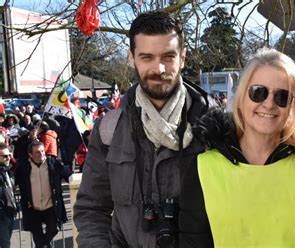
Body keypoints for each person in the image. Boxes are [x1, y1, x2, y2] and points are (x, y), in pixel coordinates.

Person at [73, 10, 214, 247]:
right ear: (132, 57)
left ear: (183, 57)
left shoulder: (213, 128)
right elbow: (91, 208)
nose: (158, 69)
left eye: (168, 57)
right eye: (147, 57)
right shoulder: (110, 130)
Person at [179, 48, 295, 247]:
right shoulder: (203, 167)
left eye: (282, 97)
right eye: (258, 93)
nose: (269, 104)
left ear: (291, 106)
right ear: (241, 97)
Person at [15, 140, 72, 248]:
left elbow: (69, 176)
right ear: (30, 154)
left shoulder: (54, 163)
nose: (41, 154)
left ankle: (45, 244)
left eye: (42, 151)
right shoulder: (23, 167)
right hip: (32, 208)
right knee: (38, 238)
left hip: (50, 206)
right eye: (37, 152)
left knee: (54, 229)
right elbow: (14, 181)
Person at [0, 143, 16, 248]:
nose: (8, 158)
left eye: (9, 155)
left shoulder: (7, 171)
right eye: (5, 156)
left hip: (10, 213)